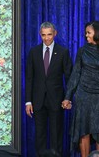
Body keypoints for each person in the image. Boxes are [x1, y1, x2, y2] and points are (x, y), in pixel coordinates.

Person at [62, 21, 99, 157]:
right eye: (86, 32)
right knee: (83, 130)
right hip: (83, 95)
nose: (86, 35)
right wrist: (68, 97)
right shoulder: (82, 51)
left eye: (89, 33)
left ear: (97, 33)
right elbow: (75, 74)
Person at [25, 21, 73, 156]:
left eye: (49, 35)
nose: (46, 38)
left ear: (55, 34)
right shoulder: (33, 52)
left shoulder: (63, 52)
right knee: (39, 136)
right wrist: (28, 101)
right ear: (40, 35)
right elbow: (29, 78)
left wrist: (68, 98)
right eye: (44, 35)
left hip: (56, 101)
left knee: (56, 136)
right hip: (38, 101)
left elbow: (69, 77)